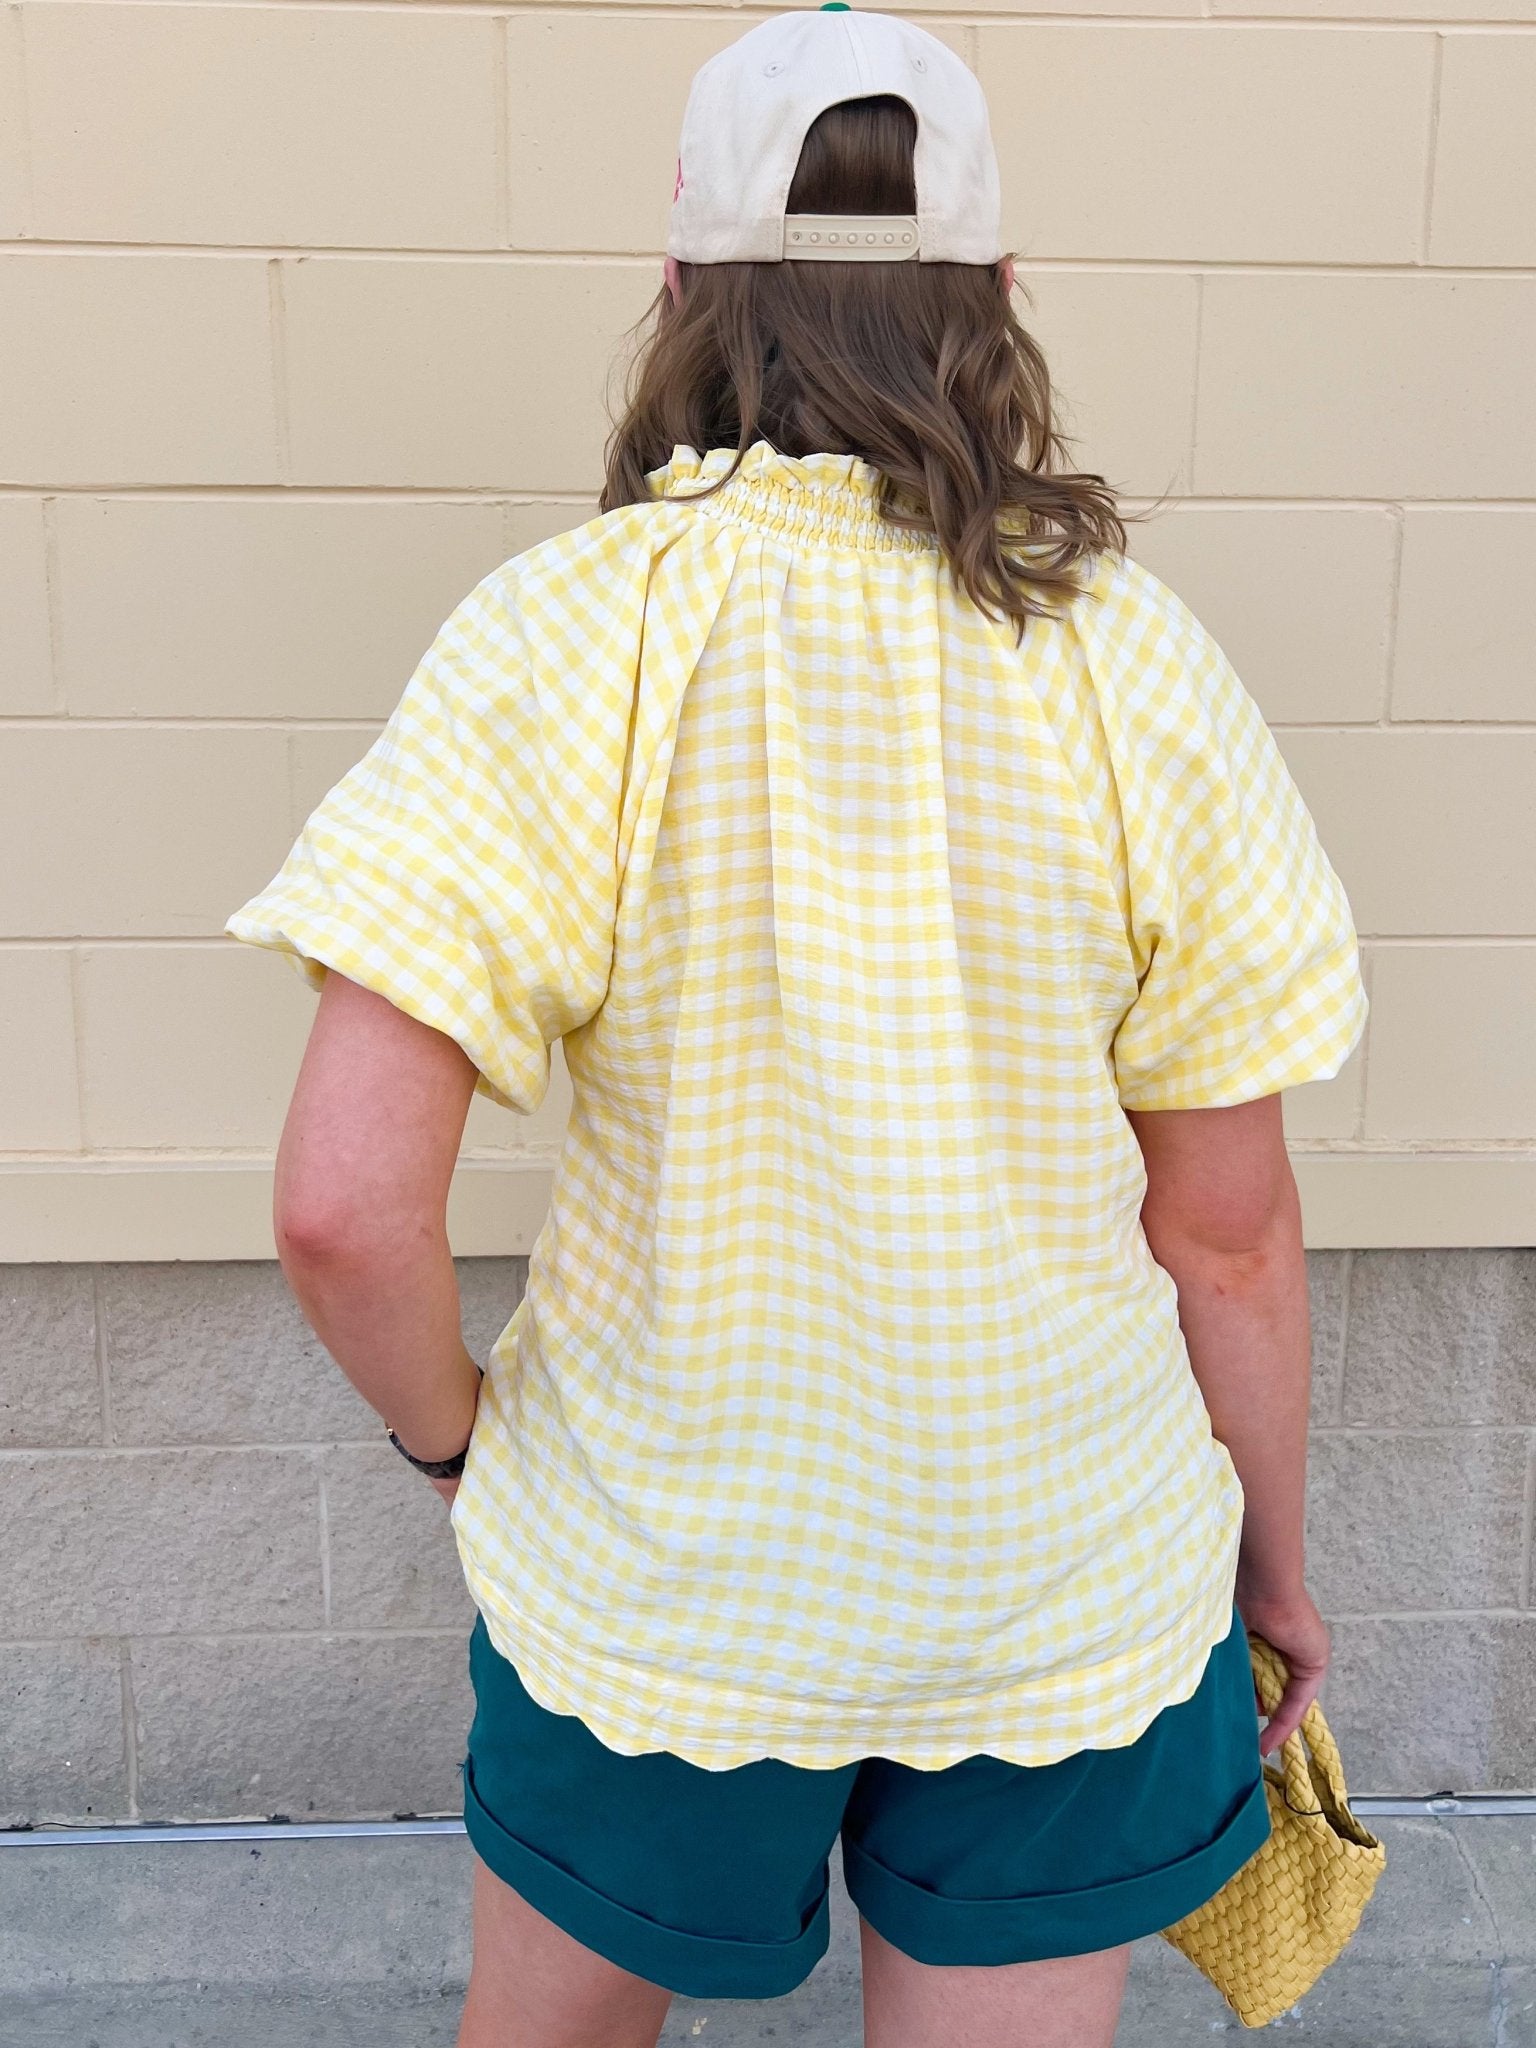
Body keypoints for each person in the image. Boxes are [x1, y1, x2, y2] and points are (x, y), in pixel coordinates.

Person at [225, 8, 1368, 2044]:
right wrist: (1271, 1567)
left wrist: (458, 1447)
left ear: (680, 291)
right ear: (999, 296)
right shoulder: (1136, 663)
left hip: (662, 1584)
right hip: (1063, 1592)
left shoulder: (567, 635)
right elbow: (1228, 1233)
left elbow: (341, 1204)